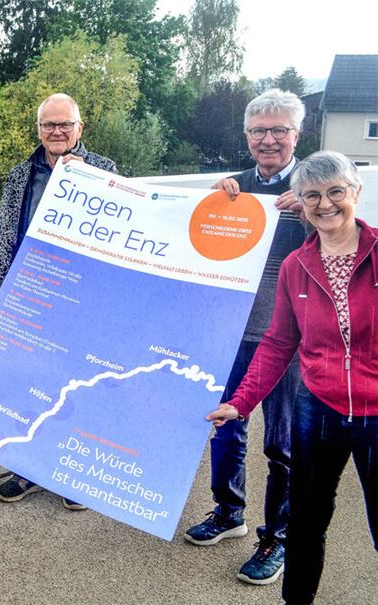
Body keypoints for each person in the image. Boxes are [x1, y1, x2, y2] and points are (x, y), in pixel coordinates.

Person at [206, 150, 377, 605]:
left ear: (355, 193)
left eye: (336, 192)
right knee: (305, 525)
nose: (326, 204)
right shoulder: (295, 266)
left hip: (377, 413)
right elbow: (280, 343)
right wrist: (239, 403)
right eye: (313, 195)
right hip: (317, 409)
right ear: (300, 202)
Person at [183, 89, 308, 586]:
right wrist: (211, 209)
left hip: (291, 340)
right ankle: (227, 512)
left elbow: (346, 240)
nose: (269, 139)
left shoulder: (318, 187)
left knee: (283, 445)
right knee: (226, 426)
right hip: (235, 332)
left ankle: (277, 536)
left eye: (279, 130)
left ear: (297, 135)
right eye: (259, 131)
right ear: (247, 137)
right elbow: (204, 251)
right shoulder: (235, 188)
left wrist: (314, 211)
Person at [0, 93, 116, 510]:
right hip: (31, 297)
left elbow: (123, 231)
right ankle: (28, 469)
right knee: (32, 387)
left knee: (77, 387)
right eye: (49, 125)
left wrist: (92, 182)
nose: (57, 132)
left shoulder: (105, 171)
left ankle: (72, 477)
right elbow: (4, 238)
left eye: (65, 124)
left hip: (84, 303)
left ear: (81, 128)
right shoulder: (19, 175)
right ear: (38, 129)